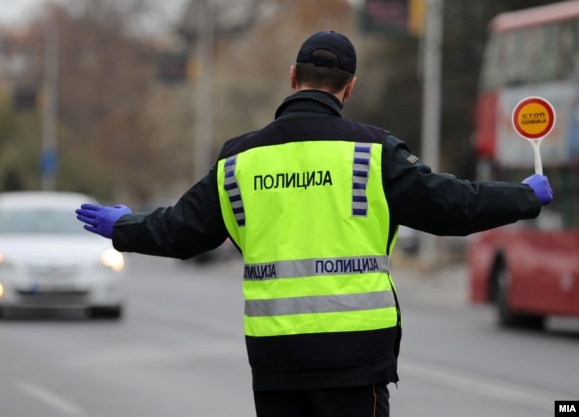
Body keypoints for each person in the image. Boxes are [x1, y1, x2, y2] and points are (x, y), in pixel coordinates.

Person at [75, 31, 553, 417]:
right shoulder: (372, 152)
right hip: (355, 357)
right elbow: (453, 206)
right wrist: (523, 196)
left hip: (276, 356)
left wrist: (125, 226)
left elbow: (179, 232)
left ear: (292, 78)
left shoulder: (238, 160)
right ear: (349, 87)